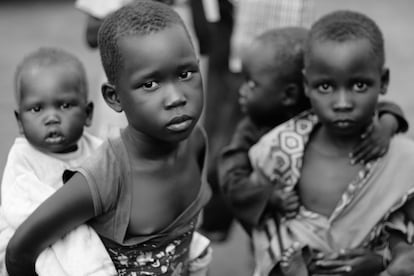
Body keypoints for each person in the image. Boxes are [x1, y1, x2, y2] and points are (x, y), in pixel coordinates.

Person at [5, 1, 211, 276]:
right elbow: (20, 252)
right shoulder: (105, 177)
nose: (176, 98)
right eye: (150, 84)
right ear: (114, 98)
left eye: (185, 74)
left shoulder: (196, 140)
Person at [248, 10, 414, 276]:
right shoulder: (279, 151)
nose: (343, 103)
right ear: (305, 85)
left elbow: (406, 245)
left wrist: (382, 259)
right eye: (325, 87)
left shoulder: (404, 162)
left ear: (383, 82)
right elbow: (262, 227)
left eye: (359, 85)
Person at [219, 26, 408, 234]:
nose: (241, 91)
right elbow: (231, 179)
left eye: (251, 84)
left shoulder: (321, 110)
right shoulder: (252, 128)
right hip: (278, 229)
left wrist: (386, 127)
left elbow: (383, 108)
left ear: (289, 95)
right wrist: (269, 197)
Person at [0, 47, 117, 275]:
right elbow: (20, 210)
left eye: (65, 106)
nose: (51, 118)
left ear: (88, 113)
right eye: (36, 109)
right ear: (20, 121)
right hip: (33, 242)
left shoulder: (97, 150)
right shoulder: (23, 157)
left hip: (82, 239)